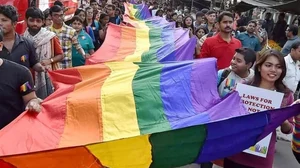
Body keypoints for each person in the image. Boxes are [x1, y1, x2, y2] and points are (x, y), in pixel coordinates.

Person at [224, 49, 294, 168]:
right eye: (268, 65)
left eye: (278, 67)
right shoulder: (243, 88)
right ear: (259, 67)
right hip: (235, 152)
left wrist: (283, 119)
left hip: (261, 158)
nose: (273, 70)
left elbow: (288, 130)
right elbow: (227, 117)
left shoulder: (286, 96)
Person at [0, 28, 42, 129]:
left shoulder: (21, 73)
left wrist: (33, 103)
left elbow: (30, 99)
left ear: (0, 46)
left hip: (11, 135)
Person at [24, 7, 64, 99]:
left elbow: (61, 55)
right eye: (31, 20)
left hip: (47, 76)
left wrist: (49, 60)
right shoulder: (22, 38)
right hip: (29, 77)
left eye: (38, 21)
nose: (35, 24)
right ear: (26, 20)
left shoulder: (50, 37)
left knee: (46, 100)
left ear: (43, 22)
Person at [0, 5, 44, 72]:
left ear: (14, 24)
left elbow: (34, 63)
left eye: (4, 20)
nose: (0, 23)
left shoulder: (27, 43)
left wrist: (42, 68)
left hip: (23, 82)